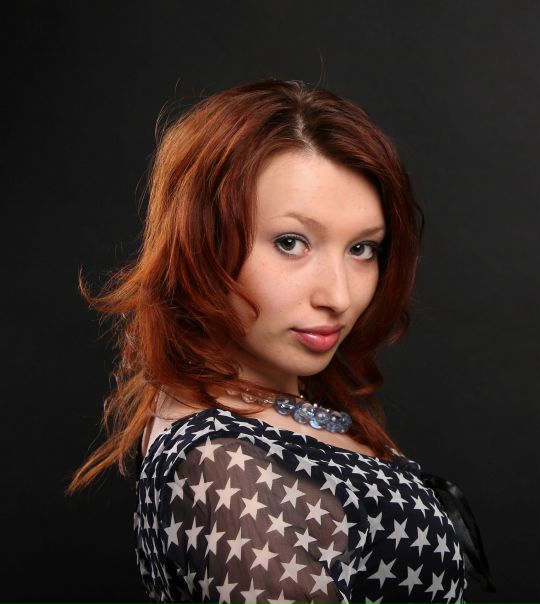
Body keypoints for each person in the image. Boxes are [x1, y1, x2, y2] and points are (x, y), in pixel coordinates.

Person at [68, 79, 492, 603]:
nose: (338, 296)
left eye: (363, 248)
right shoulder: (222, 467)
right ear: (201, 243)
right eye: (292, 242)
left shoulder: (276, 404)